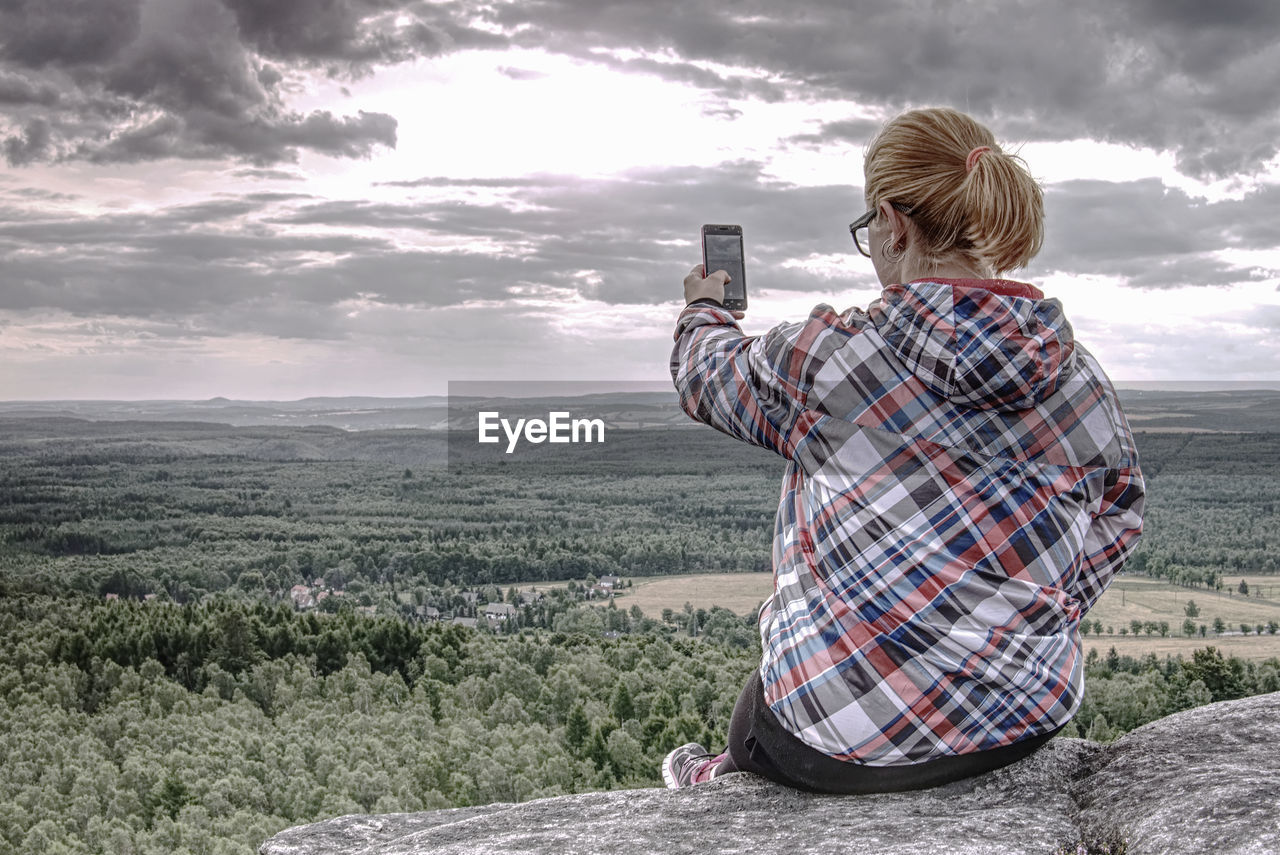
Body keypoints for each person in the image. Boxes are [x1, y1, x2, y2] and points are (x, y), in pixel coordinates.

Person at [663, 106, 1145, 794]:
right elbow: (1119, 514)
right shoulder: (1081, 379)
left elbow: (705, 376)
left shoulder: (830, 359)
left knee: (756, 713)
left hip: (841, 740)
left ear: (893, 223)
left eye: (869, 229)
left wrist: (703, 310)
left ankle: (713, 780)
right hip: (1020, 717)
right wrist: (1016, 618)